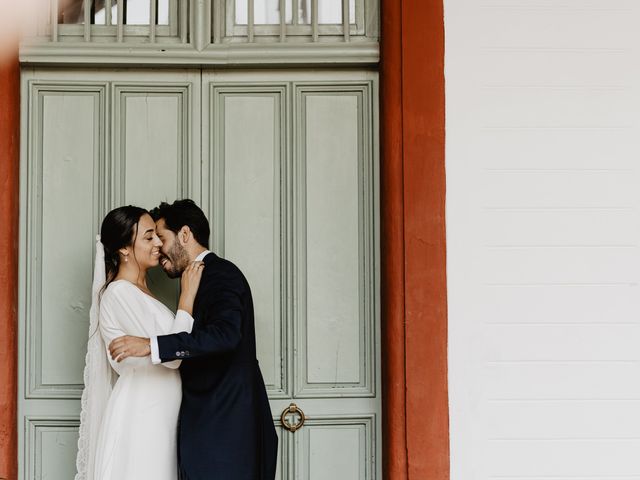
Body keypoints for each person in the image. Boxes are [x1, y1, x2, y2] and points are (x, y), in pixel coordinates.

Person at [108, 199, 278, 480]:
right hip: (202, 429)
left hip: (226, 429)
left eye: (161, 237)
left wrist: (151, 345)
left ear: (184, 235)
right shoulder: (193, 281)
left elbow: (226, 335)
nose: (159, 248)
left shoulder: (220, 274)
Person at [75, 206, 204, 480]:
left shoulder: (141, 292)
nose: (158, 243)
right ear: (124, 248)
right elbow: (173, 357)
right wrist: (186, 300)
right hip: (144, 411)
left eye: (157, 236)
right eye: (148, 237)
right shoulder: (120, 293)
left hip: (160, 409)